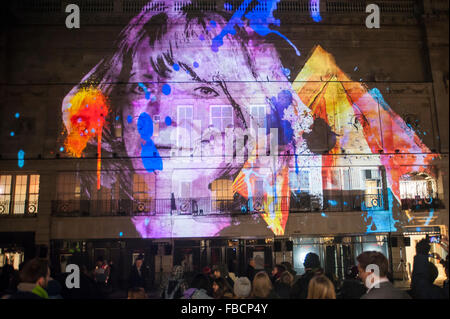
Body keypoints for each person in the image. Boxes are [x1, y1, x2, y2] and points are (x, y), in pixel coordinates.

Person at [61, 1, 317, 240]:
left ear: (242, 113)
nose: (162, 115)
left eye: (202, 89)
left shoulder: (264, 227)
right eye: (141, 88)